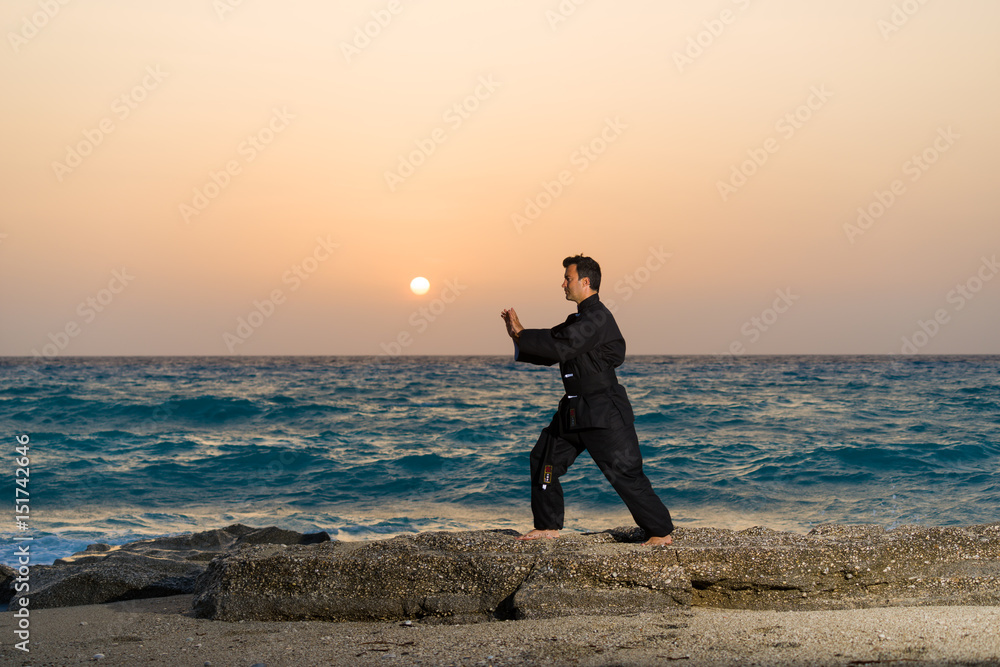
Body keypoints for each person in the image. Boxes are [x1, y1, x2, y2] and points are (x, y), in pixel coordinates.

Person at [500, 255, 674, 546]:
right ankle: (547, 525)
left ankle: (660, 532)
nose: (563, 284)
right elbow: (555, 347)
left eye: (568, 278)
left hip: (603, 410)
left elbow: (561, 344)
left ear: (585, 282)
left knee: (625, 473)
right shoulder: (578, 320)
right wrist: (519, 337)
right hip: (573, 410)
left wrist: (522, 333)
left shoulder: (597, 318)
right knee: (545, 461)